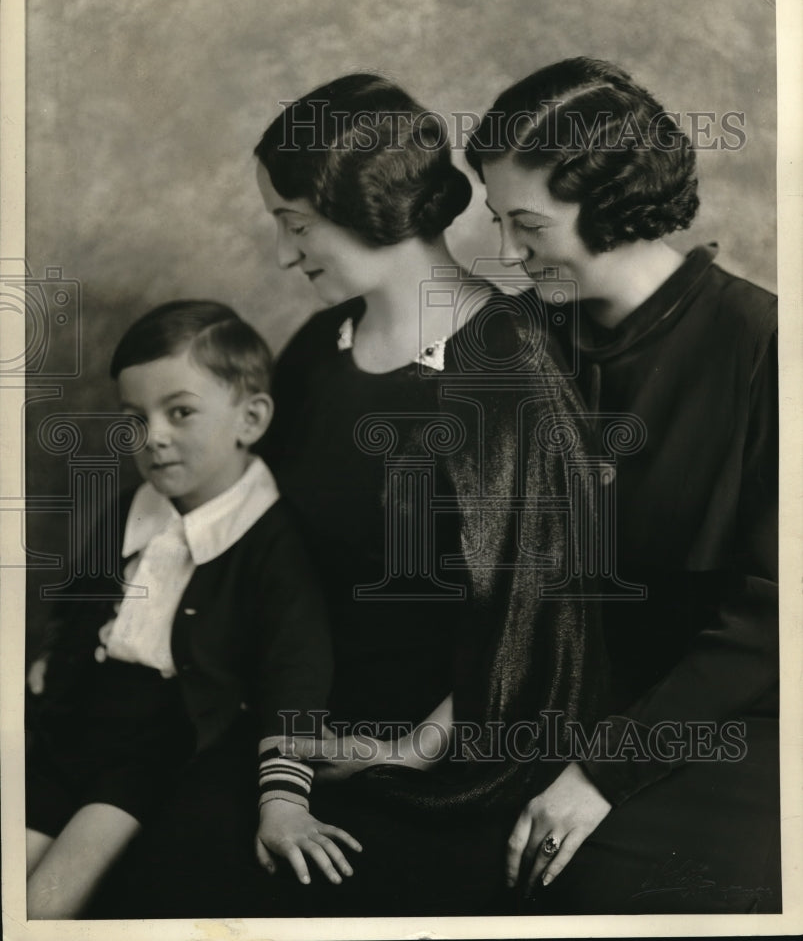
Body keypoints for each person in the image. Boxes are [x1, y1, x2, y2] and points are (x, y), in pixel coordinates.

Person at [88, 73, 608, 918]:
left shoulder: (512, 368)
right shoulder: (316, 351)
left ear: (368, 208)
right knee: (153, 885)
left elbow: (536, 619)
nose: (286, 254)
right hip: (287, 722)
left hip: (448, 756)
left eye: (296, 225)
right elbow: (255, 537)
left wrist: (403, 750)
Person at [466, 56, 780, 913]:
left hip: (724, 721)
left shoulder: (762, 345)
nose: (504, 252)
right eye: (496, 221)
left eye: (525, 223)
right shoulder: (517, 339)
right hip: (541, 706)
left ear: (609, 203)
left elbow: (768, 622)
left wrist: (600, 773)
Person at [25, 300, 359, 919]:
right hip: (69, 721)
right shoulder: (132, 506)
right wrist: (49, 663)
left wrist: (284, 800)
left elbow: (296, 675)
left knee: (44, 904)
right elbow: (80, 602)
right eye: (135, 417)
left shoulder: (272, 540)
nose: (150, 437)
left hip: (153, 745)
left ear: (251, 418)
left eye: (179, 412)